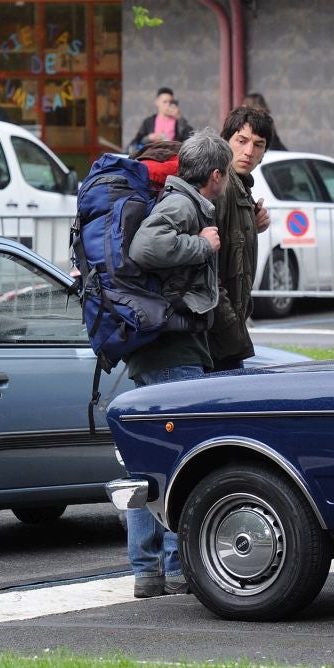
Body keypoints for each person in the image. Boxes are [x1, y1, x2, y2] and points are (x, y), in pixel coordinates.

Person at [122, 129, 231, 598]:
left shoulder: (182, 202)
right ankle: (172, 568)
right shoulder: (181, 206)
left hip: (159, 347)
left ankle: (148, 571)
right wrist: (204, 246)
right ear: (215, 175)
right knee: (178, 465)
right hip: (172, 352)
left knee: (150, 468)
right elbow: (144, 249)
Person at [210, 106, 274, 373]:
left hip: (225, 332)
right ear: (226, 141)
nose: (249, 151)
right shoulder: (221, 186)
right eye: (242, 141)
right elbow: (210, 269)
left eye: (258, 144)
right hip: (217, 335)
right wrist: (232, 324)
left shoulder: (241, 186)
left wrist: (251, 226)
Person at [129, 87, 194, 152]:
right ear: (157, 102)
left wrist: (179, 117)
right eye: (165, 102)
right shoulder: (148, 122)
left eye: (170, 102)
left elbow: (191, 138)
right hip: (152, 156)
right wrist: (149, 138)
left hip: (172, 156)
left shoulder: (178, 121)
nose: (168, 105)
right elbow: (136, 142)